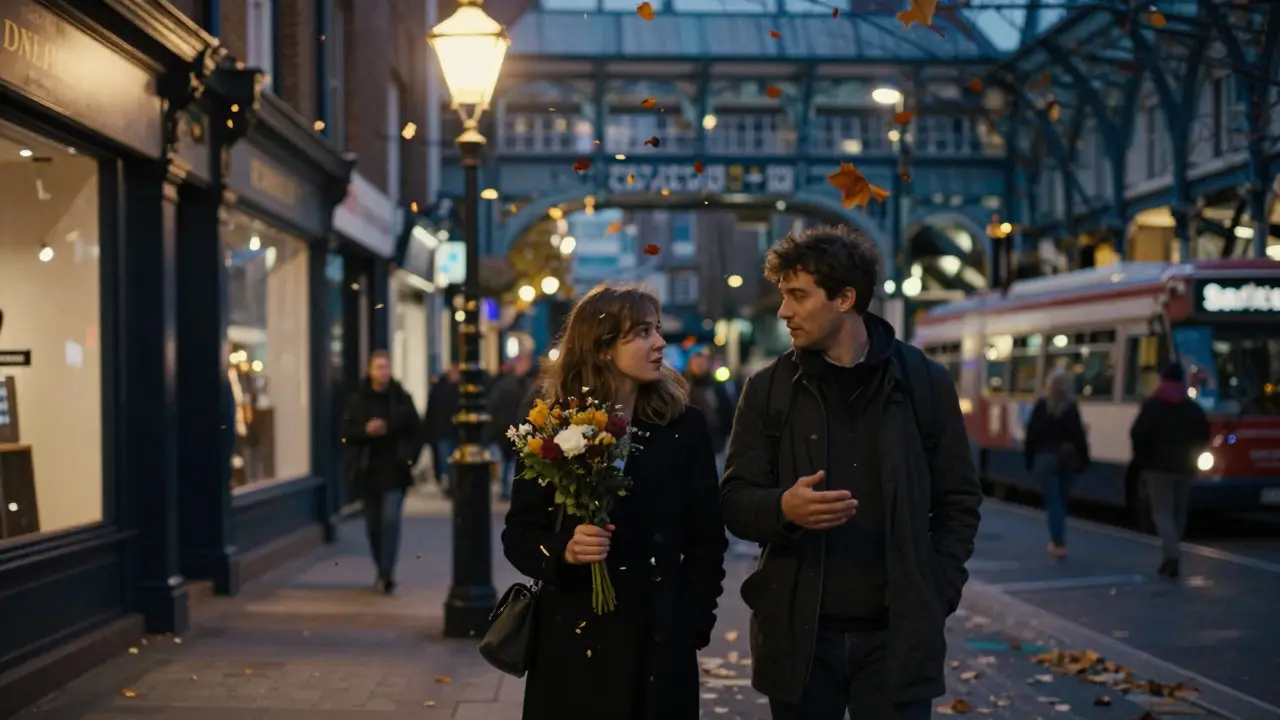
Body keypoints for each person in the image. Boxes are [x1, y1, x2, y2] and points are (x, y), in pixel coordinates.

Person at [721, 226, 982, 720]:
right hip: (799, 638)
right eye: (783, 295)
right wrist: (783, 508)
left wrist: (936, 590)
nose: (784, 311)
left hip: (897, 639)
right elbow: (734, 501)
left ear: (845, 298)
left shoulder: (923, 383)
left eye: (798, 295)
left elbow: (958, 500)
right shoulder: (769, 389)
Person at [502, 283, 728, 720]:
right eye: (642, 332)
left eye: (657, 329)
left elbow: (706, 539)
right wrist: (564, 551)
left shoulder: (683, 427)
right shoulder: (553, 425)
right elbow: (519, 534)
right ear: (603, 348)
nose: (660, 343)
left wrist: (692, 624)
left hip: (658, 644)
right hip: (573, 645)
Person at [341, 351, 425, 594]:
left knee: (390, 520)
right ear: (370, 371)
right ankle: (380, 565)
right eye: (378, 367)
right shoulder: (358, 400)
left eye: (385, 367)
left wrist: (409, 459)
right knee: (373, 524)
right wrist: (365, 431)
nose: (382, 372)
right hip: (368, 472)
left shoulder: (401, 399)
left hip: (394, 471)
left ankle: (387, 572)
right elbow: (345, 432)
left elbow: (417, 431)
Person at [1129, 362, 1210, 579]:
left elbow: (1137, 433)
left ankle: (1171, 557)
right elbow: (1204, 434)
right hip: (1185, 468)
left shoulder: (1152, 406)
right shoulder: (1192, 408)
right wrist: (1192, 455)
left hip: (1157, 468)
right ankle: (1172, 554)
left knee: (1162, 513)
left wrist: (1143, 459)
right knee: (1179, 513)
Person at [1023, 369, 1090, 558]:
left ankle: (1058, 542)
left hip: (1044, 458)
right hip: (1068, 459)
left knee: (1053, 501)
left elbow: (1032, 435)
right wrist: (1085, 460)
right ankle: (1058, 538)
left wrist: (1028, 459)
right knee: (1062, 499)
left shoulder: (1042, 406)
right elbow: (1079, 437)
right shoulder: (1071, 408)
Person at [486, 335, 538, 500]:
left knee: (509, 462)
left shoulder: (514, 383)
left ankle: (506, 489)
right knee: (509, 462)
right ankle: (507, 489)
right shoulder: (514, 385)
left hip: (509, 429)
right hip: (509, 429)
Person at [683, 350, 735, 456]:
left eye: (702, 364)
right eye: (696, 364)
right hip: (689, 441)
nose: (699, 367)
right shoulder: (683, 386)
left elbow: (726, 410)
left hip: (715, 440)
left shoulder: (716, 387)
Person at [424, 364, 461, 492]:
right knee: (445, 461)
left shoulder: (460, 389)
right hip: (442, 432)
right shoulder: (439, 389)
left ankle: (453, 484)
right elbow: (431, 412)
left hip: (456, 432)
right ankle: (449, 484)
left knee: (453, 461)